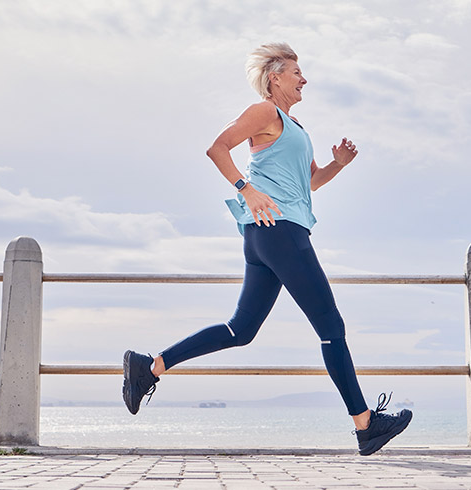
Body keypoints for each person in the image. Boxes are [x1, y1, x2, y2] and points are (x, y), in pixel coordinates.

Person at [122, 42, 412, 456]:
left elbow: (310, 183)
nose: (304, 79)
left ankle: (149, 367)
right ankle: (365, 425)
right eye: (297, 72)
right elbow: (217, 148)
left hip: (269, 234)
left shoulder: (297, 128)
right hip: (278, 230)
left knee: (241, 330)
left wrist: (340, 165)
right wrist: (247, 189)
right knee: (331, 328)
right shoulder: (265, 112)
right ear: (275, 78)